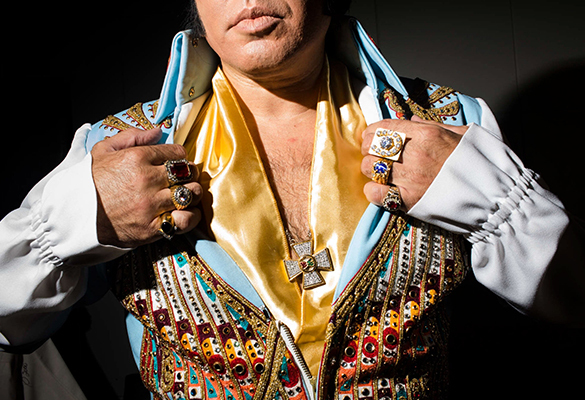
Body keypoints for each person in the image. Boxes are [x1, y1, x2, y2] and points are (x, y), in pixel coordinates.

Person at [1, 0, 583, 399]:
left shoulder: (452, 125)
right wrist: (80, 215)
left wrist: (499, 207)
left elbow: (575, 302)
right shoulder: (114, 147)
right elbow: (7, 322)